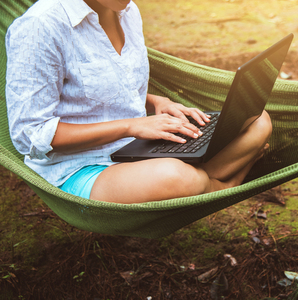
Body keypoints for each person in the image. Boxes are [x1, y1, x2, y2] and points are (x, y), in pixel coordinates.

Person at [5, 0, 272, 203]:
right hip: (79, 166)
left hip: (136, 148)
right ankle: (226, 185)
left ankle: (204, 180)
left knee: (257, 121)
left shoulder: (127, 10)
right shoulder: (40, 27)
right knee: (177, 177)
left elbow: (95, 88)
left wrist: (157, 101)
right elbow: (30, 135)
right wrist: (131, 126)